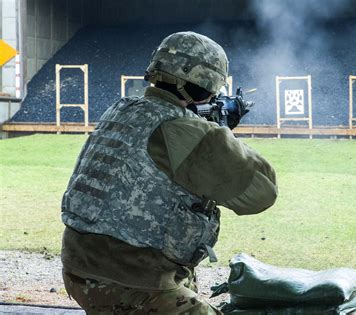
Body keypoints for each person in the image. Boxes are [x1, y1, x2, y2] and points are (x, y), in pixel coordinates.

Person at [60, 31, 278, 314]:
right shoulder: (189, 132)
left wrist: (203, 128)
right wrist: (220, 134)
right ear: (207, 83)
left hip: (79, 271)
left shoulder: (121, 110)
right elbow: (262, 192)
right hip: (132, 285)